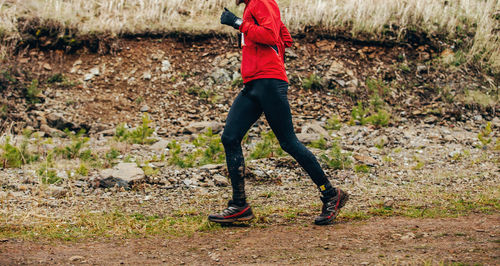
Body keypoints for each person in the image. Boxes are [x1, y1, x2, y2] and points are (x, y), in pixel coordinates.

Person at [208, 0, 349, 225]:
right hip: (254, 84)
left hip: (269, 83)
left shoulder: (260, 1)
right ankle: (239, 205)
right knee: (230, 138)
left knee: (289, 142)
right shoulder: (252, 6)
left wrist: (237, 23)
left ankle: (331, 194)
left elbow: (270, 36)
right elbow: (284, 38)